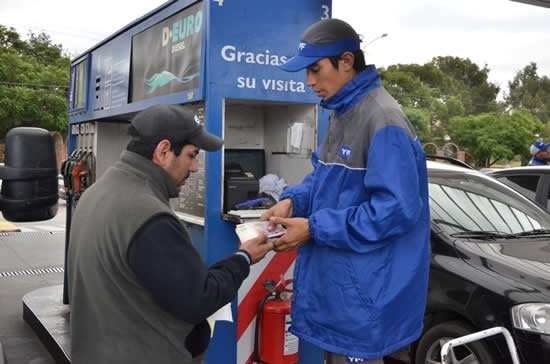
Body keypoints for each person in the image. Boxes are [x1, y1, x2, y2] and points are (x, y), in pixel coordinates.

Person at [261, 19, 431, 363]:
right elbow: (322, 180)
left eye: (315, 69)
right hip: (342, 295)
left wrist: (314, 228)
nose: (310, 82)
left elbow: (396, 210)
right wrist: (294, 201)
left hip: (365, 299)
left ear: (347, 61)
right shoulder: (343, 113)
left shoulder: (382, 118)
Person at [67, 104, 273, 364]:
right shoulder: (149, 215)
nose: (195, 168)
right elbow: (200, 298)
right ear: (163, 151)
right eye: (192, 155)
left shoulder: (97, 192)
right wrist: (244, 257)